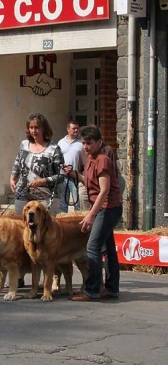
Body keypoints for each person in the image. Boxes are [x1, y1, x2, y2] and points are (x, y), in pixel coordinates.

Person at [70, 126, 123, 301]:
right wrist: (73, 174)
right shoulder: (90, 159)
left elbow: (104, 190)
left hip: (108, 208)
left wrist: (91, 215)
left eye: (89, 143)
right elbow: (89, 183)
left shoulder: (102, 160)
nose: (85, 146)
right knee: (107, 249)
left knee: (92, 247)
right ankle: (111, 289)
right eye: (83, 143)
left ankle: (92, 290)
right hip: (104, 207)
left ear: (99, 142)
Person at [10, 113, 64, 217]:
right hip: (23, 195)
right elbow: (17, 163)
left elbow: (61, 176)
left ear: (44, 129)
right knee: (22, 228)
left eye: (37, 128)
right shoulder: (24, 145)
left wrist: (42, 181)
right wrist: (12, 178)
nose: (34, 131)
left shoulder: (54, 149)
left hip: (45, 198)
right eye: (31, 127)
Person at [58, 121, 83, 213]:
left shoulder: (81, 143)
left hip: (76, 176)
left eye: (77, 128)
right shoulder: (61, 142)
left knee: (78, 202)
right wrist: (62, 166)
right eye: (73, 128)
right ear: (68, 129)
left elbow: (84, 160)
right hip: (63, 176)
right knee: (63, 203)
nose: (76, 130)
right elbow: (57, 158)